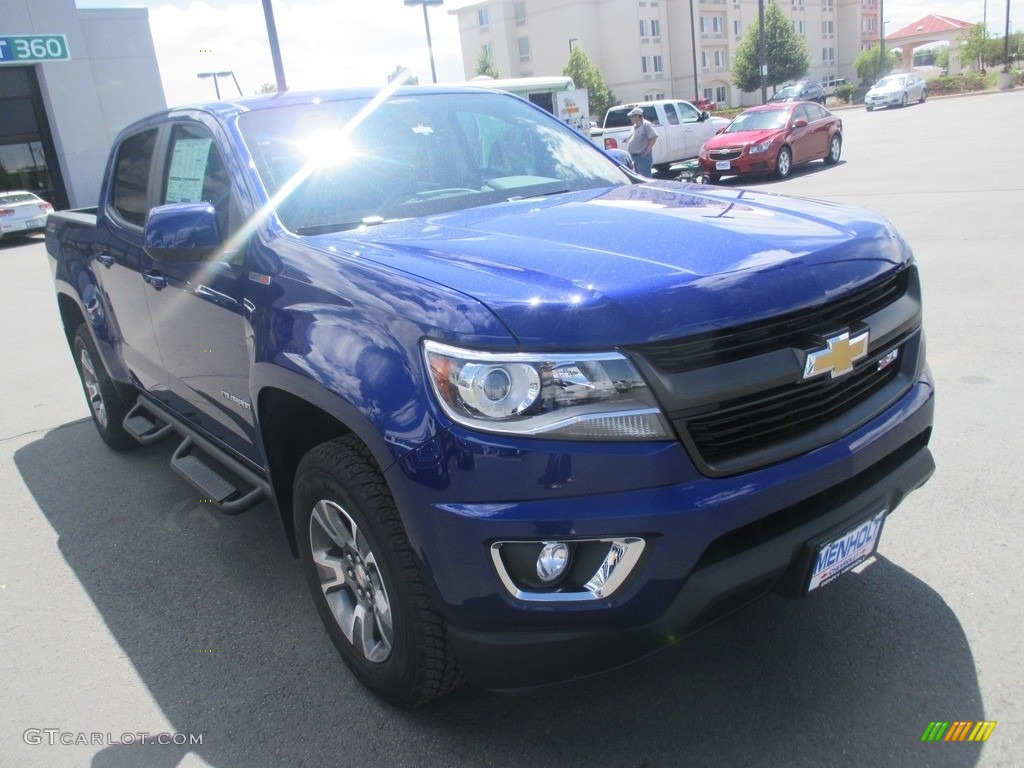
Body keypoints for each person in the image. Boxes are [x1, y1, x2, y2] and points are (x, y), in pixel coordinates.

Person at [626, 106, 658, 178]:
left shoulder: (646, 125)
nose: (630, 118)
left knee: (645, 179)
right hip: (634, 157)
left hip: (642, 158)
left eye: (632, 116)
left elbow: (654, 137)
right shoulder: (634, 126)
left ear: (637, 116)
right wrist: (628, 140)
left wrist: (647, 150)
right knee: (637, 179)